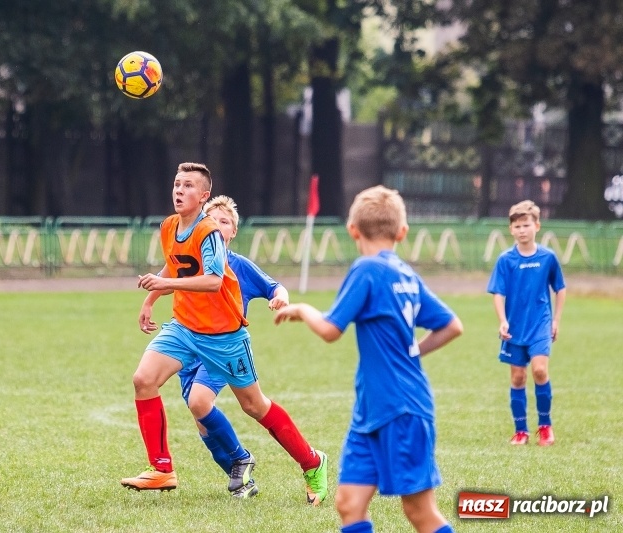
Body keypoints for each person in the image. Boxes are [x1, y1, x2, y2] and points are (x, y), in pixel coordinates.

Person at [120, 162, 328, 506]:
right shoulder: (169, 227)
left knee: (255, 406)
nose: (178, 190)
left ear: (203, 197)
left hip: (224, 339)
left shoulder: (210, 234)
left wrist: (164, 284)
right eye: (176, 183)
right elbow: (174, 265)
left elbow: (213, 280)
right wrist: (150, 299)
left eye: (187, 185)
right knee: (143, 379)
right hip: (184, 328)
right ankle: (162, 468)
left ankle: (312, 462)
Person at [274, 185, 463, 533]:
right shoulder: (406, 273)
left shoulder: (367, 269)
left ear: (352, 230)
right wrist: (412, 352)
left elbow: (331, 329)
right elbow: (452, 326)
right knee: (349, 503)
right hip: (372, 410)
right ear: (402, 232)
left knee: (420, 512)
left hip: (402, 409)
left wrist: (301, 308)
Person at [139, 194, 290, 498]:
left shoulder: (238, 266)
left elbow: (274, 285)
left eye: (225, 222)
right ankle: (241, 479)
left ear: (233, 232)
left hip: (222, 347)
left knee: (202, 402)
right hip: (188, 344)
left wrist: (281, 297)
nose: (218, 226)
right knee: (203, 425)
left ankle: (243, 458)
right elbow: (168, 271)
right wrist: (150, 300)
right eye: (213, 220)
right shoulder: (190, 255)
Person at [487, 200, 566, 446]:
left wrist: (555, 320)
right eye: (517, 226)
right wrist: (502, 321)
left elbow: (560, 289)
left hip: (540, 324)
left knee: (540, 370)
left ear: (537, 226)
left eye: (526, 225)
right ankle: (521, 430)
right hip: (514, 327)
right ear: (511, 229)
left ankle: (545, 426)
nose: (522, 230)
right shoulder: (505, 260)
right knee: (518, 377)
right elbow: (498, 293)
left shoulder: (548, 257)